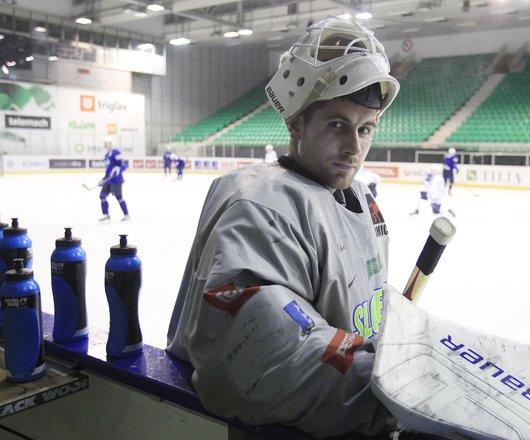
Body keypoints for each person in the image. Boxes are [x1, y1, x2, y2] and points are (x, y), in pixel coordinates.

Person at [166, 16, 400, 439]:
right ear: (295, 123)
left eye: (365, 129)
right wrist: (397, 389)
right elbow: (268, 360)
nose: (354, 147)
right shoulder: (260, 206)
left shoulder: (361, 199)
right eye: (337, 124)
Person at [98, 136, 129, 221]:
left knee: (119, 197)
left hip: (116, 180)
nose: (105, 145)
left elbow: (123, 165)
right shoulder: (106, 155)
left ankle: (126, 214)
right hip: (108, 181)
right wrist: (103, 179)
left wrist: (119, 169)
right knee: (102, 196)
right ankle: (106, 214)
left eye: (106, 143)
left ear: (110, 144)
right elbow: (108, 170)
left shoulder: (116, 153)